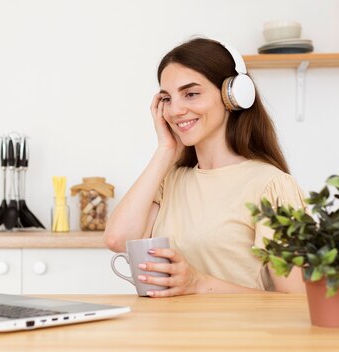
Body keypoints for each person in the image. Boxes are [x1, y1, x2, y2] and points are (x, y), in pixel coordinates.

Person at [104, 37, 306, 297]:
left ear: (232, 97)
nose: (175, 110)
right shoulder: (170, 180)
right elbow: (117, 239)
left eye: (191, 94)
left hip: (239, 336)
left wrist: (198, 284)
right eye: (167, 98)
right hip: (170, 334)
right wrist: (165, 151)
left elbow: (297, 301)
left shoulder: (271, 186)